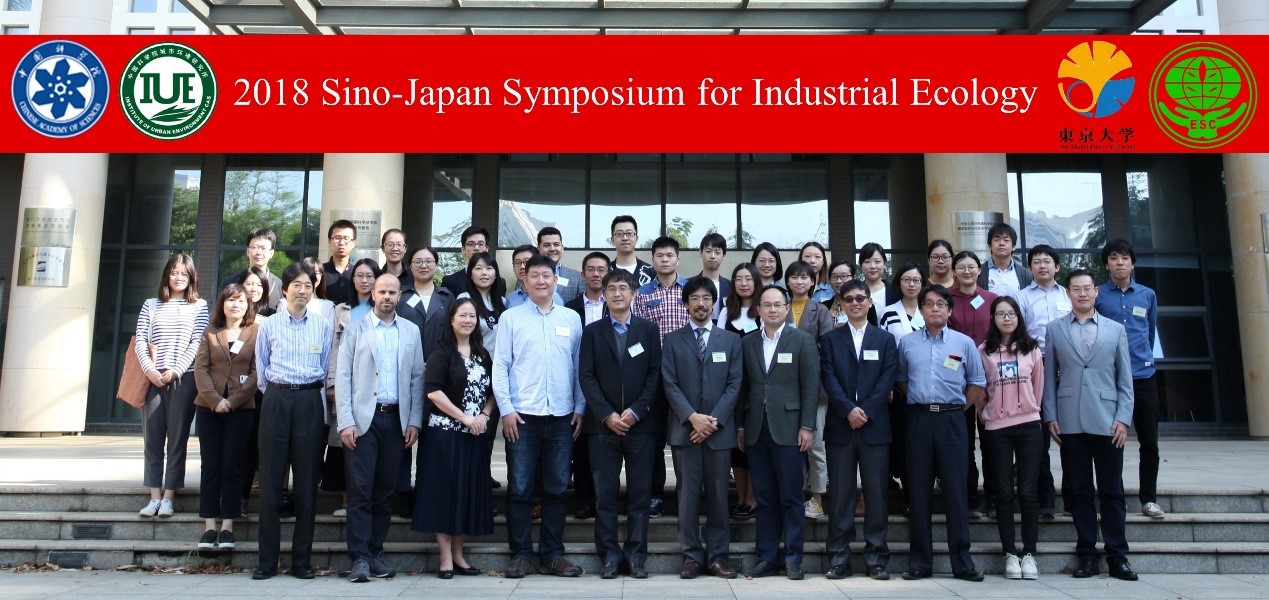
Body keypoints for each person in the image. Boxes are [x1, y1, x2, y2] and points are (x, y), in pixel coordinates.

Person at [492, 254, 586, 579]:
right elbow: (500, 366)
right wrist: (506, 409)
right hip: (522, 417)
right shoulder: (511, 318)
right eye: (535, 276)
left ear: (555, 280)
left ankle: (552, 554)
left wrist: (580, 407)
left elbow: (579, 367)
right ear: (525, 280)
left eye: (547, 276)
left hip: (562, 417)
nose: (541, 281)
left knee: (557, 489)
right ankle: (521, 555)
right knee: (519, 488)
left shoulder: (571, 318)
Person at [1044, 269, 1138, 581]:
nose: (1082, 293)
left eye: (1087, 288)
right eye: (1076, 289)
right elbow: (1049, 377)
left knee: (1112, 491)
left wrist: (1123, 418)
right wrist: (1051, 415)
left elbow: (1125, 379)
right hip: (1070, 422)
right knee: (1080, 491)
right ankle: (1086, 554)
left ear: (1096, 292)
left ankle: (1117, 556)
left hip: (1109, 422)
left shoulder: (1115, 329)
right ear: (1068, 293)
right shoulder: (1055, 329)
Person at [335, 273, 425, 583]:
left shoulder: (411, 331)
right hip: (363, 420)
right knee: (360, 490)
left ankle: (375, 553)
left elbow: (417, 378)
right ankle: (359, 557)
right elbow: (343, 376)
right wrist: (345, 421)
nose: (387, 297)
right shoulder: (355, 329)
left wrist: (414, 420)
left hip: (396, 419)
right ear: (372, 294)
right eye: (382, 291)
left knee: (385, 491)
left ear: (400, 296)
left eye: (392, 292)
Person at [897, 284, 986, 582]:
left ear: (949, 310)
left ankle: (962, 563)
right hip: (919, 420)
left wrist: (956, 409)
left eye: (940, 304)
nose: (935, 309)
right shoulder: (907, 343)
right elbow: (902, 380)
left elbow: (976, 382)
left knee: (956, 492)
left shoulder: (964, 343)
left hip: (952, 421)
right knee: (919, 492)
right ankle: (920, 563)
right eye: (929, 304)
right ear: (921, 310)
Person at [252, 262, 333, 581]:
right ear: (284, 289)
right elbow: (261, 369)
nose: (302, 290)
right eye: (296, 285)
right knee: (271, 482)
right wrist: (279, 394)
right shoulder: (269, 325)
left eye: (308, 285)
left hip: (310, 401)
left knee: (307, 484)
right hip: (277, 399)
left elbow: (325, 364)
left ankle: (302, 561)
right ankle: (266, 562)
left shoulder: (322, 325)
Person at [580, 269, 663, 579]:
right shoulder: (592, 332)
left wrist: (636, 411)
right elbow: (586, 376)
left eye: (623, 288)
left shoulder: (648, 330)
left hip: (641, 427)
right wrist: (607, 414)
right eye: (611, 288)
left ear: (633, 294)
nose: (617, 293)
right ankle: (609, 556)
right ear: (604, 295)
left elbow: (655, 374)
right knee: (605, 494)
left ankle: (636, 556)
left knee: (640, 494)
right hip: (603, 427)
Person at [661, 277, 742, 580]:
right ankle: (691, 557)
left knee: (720, 496)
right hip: (686, 431)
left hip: (719, 432)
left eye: (707, 298)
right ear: (685, 304)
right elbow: (669, 383)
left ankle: (718, 557)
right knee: (688, 496)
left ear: (714, 303)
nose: (701, 303)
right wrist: (692, 417)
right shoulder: (672, 340)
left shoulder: (730, 340)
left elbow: (735, 384)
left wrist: (713, 420)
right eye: (694, 298)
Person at [819, 280, 899, 581]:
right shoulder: (830, 339)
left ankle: (876, 558)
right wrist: (848, 410)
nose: (855, 303)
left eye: (860, 298)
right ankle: (839, 558)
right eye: (849, 299)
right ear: (841, 304)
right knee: (841, 495)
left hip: (874, 426)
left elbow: (888, 377)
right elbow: (828, 377)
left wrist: (866, 410)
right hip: (841, 426)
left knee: (876, 495)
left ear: (869, 303)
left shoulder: (885, 339)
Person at [738, 285, 818, 580]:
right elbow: (742, 388)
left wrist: (807, 425)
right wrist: (741, 426)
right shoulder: (747, 342)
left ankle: (794, 558)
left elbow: (810, 386)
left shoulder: (802, 341)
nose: (772, 309)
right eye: (767, 305)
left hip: (790, 429)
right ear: (758, 310)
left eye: (778, 305)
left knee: (791, 497)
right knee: (764, 497)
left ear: (786, 308)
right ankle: (767, 557)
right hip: (756, 429)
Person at [413, 298, 496, 578]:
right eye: (462, 315)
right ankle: (445, 557)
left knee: (467, 494)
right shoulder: (441, 353)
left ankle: (460, 555)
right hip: (444, 436)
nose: (468, 320)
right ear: (451, 319)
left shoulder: (483, 354)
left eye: (472, 316)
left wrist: (483, 415)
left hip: (474, 435)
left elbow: (494, 391)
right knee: (444, 494)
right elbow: (434, 392)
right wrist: (464, 418)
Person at [136, 253, 210, 519]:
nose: (178, 277)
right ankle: (154, 497)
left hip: (184, 378)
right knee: (152, 439)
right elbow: (140, 340)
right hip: (152, 379)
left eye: (184, 273)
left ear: (191, 278)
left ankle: (169, 497)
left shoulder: (199, 306)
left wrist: (176, 370)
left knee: (177, 440)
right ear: (167, 275)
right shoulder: (151, 304)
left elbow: (197, 342)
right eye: (174, 272)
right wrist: (150, 370)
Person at [1095, 238, 1164, 520]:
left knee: (1149, 441)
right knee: (1112, 442)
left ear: (1132, 263)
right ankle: (1116, 499)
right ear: (1106, 264)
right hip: (1110, 378)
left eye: (1124, 258)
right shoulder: (1098, 295)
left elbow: (1149, 333)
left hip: (1142, 375)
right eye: (1113, 258)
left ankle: (1149, 499)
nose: (1119, 262)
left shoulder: (1147, 295)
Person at [978, 296, 1045, 581]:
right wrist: (988, 414)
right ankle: (1009, 553)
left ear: (1019, 317)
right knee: (1003, 492)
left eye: (1011, 313)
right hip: (997, 427)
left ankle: (1029, 553)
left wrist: (1029, 409)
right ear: (993, 319)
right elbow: (981, 391)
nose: (1007, 319)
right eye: (1001, 314)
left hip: (1028, 425)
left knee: (1028, 492)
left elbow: (1038, 387)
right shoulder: (984, 351)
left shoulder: (1032, 349)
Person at [192, 284, 257, 551]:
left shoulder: (256, 332)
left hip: (241, 409)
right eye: (230, 300)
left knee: (233, 465)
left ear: (247, 305)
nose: (235, 305)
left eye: (240, 300)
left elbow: (257, 372)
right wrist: (215, 400)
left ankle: (228, 526)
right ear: (222, 304)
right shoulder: (210, 331)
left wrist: (233, 400)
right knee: (211, 465)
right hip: (208, 408)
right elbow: (200, 370)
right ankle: (209, 527)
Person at [633, 236, 691, 519]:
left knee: (687, 437)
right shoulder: (641, 294)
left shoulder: (692, 291)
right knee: (653, 440)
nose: (665, 260)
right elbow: (638, 336)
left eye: (669, 255)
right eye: (659, 255)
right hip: (654, 375)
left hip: (687, 375)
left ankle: (687, 494)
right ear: (652, 260)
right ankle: (655, 495)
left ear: (677, 259)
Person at [397, 245, 456, 516]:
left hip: (438, 379)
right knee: (403, 435)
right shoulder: (401, 295)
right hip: (405, 376)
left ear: (436, 264)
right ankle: (401, 491)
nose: (424, 265)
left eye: (429, 261)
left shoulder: (446, 297)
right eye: (418, 261)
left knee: (432, 439)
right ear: (410, 265)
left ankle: (425, 492)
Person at [1017, 244, 1069, 520]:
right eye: (1036, 261)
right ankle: (1045, 499)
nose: (1042, 265)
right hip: (1036, 365)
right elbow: (1019, 334)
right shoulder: (1022, 297)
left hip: (1069, 366)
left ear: (1056, 266)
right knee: (1039, 437)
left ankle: (1072, 497)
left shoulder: (1068, 294)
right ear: (1030, 268)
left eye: (1047, 261)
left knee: (1071, 434)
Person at [326, 258, 381, 518]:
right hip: (346, 381)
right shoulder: (342, 310)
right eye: (360, 275)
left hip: (373, 384)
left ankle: (368, 500)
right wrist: (332, 382)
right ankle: (347, 501)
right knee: (344, 441)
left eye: (370, 276)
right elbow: (334, 348)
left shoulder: (383, 308)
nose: (364, 280)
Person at [947, 250, 999, 519]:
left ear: (980, 270)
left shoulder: (992, 300)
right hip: (957, 380)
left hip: (990, 380)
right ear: (954, 271)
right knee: (964, 443)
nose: (966, 271)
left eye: (971, 267)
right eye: (961, 267)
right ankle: (970, 499)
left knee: (991, 442)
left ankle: (994, 498)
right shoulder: (946, 299)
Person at [783, 261, 833, 521]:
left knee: (816, 444)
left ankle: (818, 498)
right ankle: (796, 495)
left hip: (816, 387)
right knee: (792, 445)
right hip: (785, 387)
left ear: (813, 282)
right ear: (787, 281)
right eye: (794, 277)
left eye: (805, 277)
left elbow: (828, 346)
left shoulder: (820, 310)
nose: (800, 281)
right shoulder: (781, 307)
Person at [564, 251, 610, 520]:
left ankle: (605, 499)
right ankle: (584, 500)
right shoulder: (569, 308)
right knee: (580, 446)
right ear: (582, 275)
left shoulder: (615, 304)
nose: (596, 274)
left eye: (601, 269)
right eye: (590, 269)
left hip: (609, 383)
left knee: (604, 448)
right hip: (576, 383)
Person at [877, 262, 926, 505]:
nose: (911, 284)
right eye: (906, 280)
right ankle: (908, 498)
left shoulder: (930, 309)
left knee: (923, 444)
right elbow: (884, 351)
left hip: (927, 387)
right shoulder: (888, 312)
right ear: (898, 284)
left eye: (916, 280)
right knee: (904, 442)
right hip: (898, 389)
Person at [719, 262, 761, 520]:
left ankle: (754, 499)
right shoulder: (727, 312)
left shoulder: (763, 309)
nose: (744, 283)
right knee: (737, 446)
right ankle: (742, 497)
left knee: (753, 442)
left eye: (748, 278)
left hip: (757, 383)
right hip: (733, 383)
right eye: (738, 279)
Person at [456, 251, 508, 349]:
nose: (484, 273)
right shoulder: (464, 299)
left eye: (489, 268)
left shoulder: (503, 301)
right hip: (475, 357)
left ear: (496, 274)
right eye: (478, 268)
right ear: (470, 275)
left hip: (501, 358)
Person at [220, 228, 283, 306]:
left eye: (263, 248)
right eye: (254, 247)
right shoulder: (230, 282)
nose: (259, 252)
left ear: (271, 253)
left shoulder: (279, 286)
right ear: (247, 251)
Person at [441, 225, 506, 295]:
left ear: (487, 249)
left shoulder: (499, 283)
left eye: (481, 244)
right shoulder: (450, 282)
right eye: (471, 244)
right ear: (463, 250)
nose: (476, 248)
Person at [978, 223, 1033, 299]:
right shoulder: (979, 273)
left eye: (1006, 240)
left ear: (1013, 246)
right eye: (997, 240)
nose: (1001, 243)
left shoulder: (1025, 275)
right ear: (989, 246)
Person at [538, 226, 582, 302]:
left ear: (562, 248)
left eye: (556, 244)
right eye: (547, 245)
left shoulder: (577, 277)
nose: (552, 249)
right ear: (538, 249)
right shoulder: (527, 275)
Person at [609, 215, 654, 287]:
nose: (625, 238)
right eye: (619, 234)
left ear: (636, 239)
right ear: (612, 240)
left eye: (629, 233)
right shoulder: (605, 271)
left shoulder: (652, 272)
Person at [859, 242, 900, 315]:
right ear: (860, 264)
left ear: (885, 264)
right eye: (867, 262)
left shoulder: (896, 292)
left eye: (877, 262)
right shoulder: (855, 292)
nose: (872, 266)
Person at [323, 219, 358, 306]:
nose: (341, 243)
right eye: (337, 238)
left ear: (353, 243)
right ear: (329, 242)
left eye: (346, 238)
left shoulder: (358, 273)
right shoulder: (320, 272)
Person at [699, 233, 732, 319]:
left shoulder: (732, 287)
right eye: (708, 251)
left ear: (723, 256)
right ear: (701, 253)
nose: (712, 256)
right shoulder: (688, 284)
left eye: (717, 252)